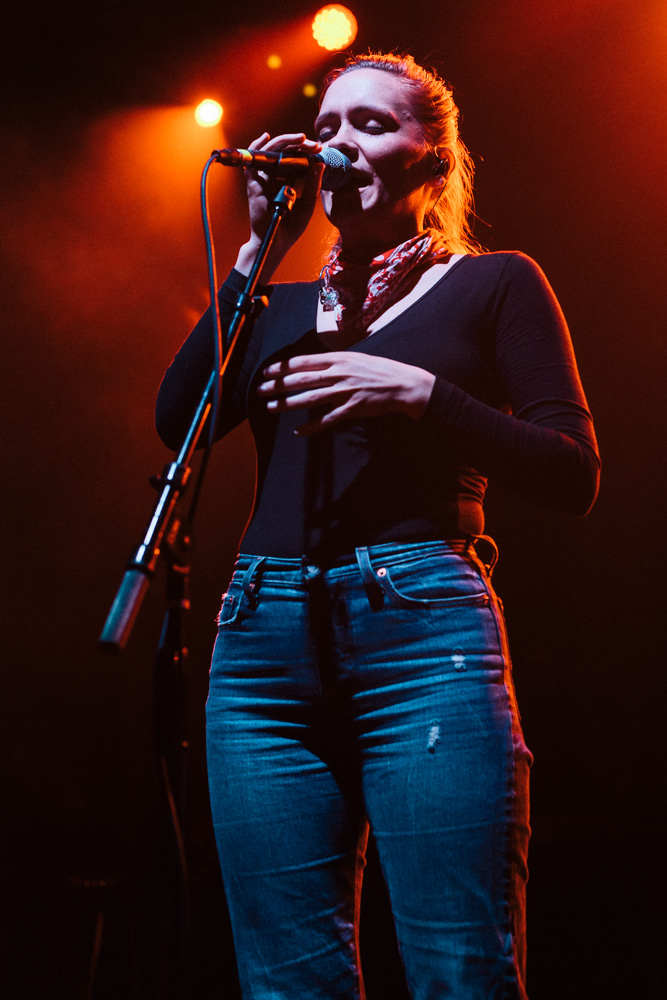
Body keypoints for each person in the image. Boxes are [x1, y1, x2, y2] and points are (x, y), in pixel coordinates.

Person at [156, 52, 599, 1000]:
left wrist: (419, 393)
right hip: (262, 642)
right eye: (325, 130)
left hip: (421, 629)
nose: (336, 146)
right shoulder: (275, 308)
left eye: (368, 125)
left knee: (461, 972)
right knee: (286, 984)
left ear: (430, 159)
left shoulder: (495, 284)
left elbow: (571, 472)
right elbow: (175, 418)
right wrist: (250, 261)